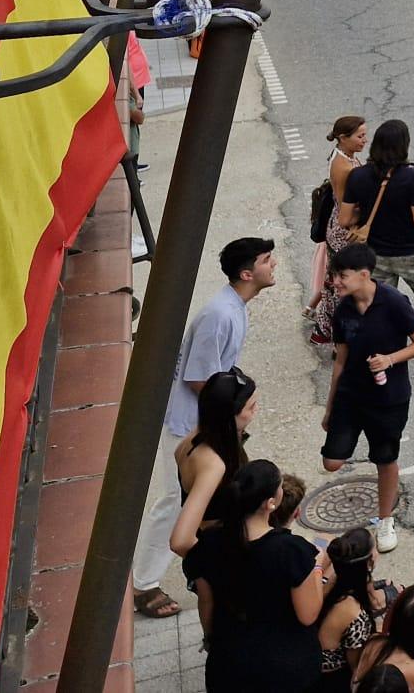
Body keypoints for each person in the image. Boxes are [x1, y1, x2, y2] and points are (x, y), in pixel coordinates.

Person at [130, 237, 276, 619]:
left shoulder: (234, 308)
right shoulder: (220, 315)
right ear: (247, 273)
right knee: (174, 502)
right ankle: (143, 584)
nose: (273, 264)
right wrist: (233, 412)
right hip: (189, 423)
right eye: (266, 260)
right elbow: (199, 379)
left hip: (208, 421)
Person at [180, 459, 324, 691]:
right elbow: (308, 615)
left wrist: (211, 639)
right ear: (270, 503)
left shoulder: (210, 542)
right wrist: (317, 568)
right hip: (284, 669)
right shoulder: (291, 551)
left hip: (228, 665)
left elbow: (206, 602)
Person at [323, 244, 414, 554]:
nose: (335, 282)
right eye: (334, 275)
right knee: (331, 462)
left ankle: (385, 520)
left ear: (364, 275)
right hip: (350, 395)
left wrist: (390, 359)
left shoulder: (394, 302)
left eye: (341, 276)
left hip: (388, 399)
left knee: (385, 459)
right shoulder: (343, 310)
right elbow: (340, 360)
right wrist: (330, 406)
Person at [338, 120, 414, 381]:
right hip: (413, 253)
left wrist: (366, 214)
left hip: (376, 255)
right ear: (403, 146)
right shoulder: (409, 176)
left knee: (378, 306)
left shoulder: (358, 176)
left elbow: (345, 219)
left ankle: (380, 362)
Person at [167, 367, 257, 556]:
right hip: (224, 547)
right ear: (229, 416)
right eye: (251, 407)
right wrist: (213, 565)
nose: (256, 411)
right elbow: (180, 541)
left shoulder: (196, 436)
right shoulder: (213, 465)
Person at [308, 115, 368, 345]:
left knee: (335, 281)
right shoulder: (342, 166)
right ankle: (339, 335)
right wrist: (364, 225)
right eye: (360, 136)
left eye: (364, 135)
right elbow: (345, 209)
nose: (364, 140)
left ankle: (326, 329)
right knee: (344, 285)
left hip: (341, 226)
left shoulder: (345, 155)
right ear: (343, 138)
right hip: (345, 231)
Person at [314, 527, 389, 693]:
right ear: (369, 562)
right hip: (331, 680)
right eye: (375, 548)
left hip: (312, 659)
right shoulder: (355, 614)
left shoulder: (335, 579)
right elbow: (357, 668)